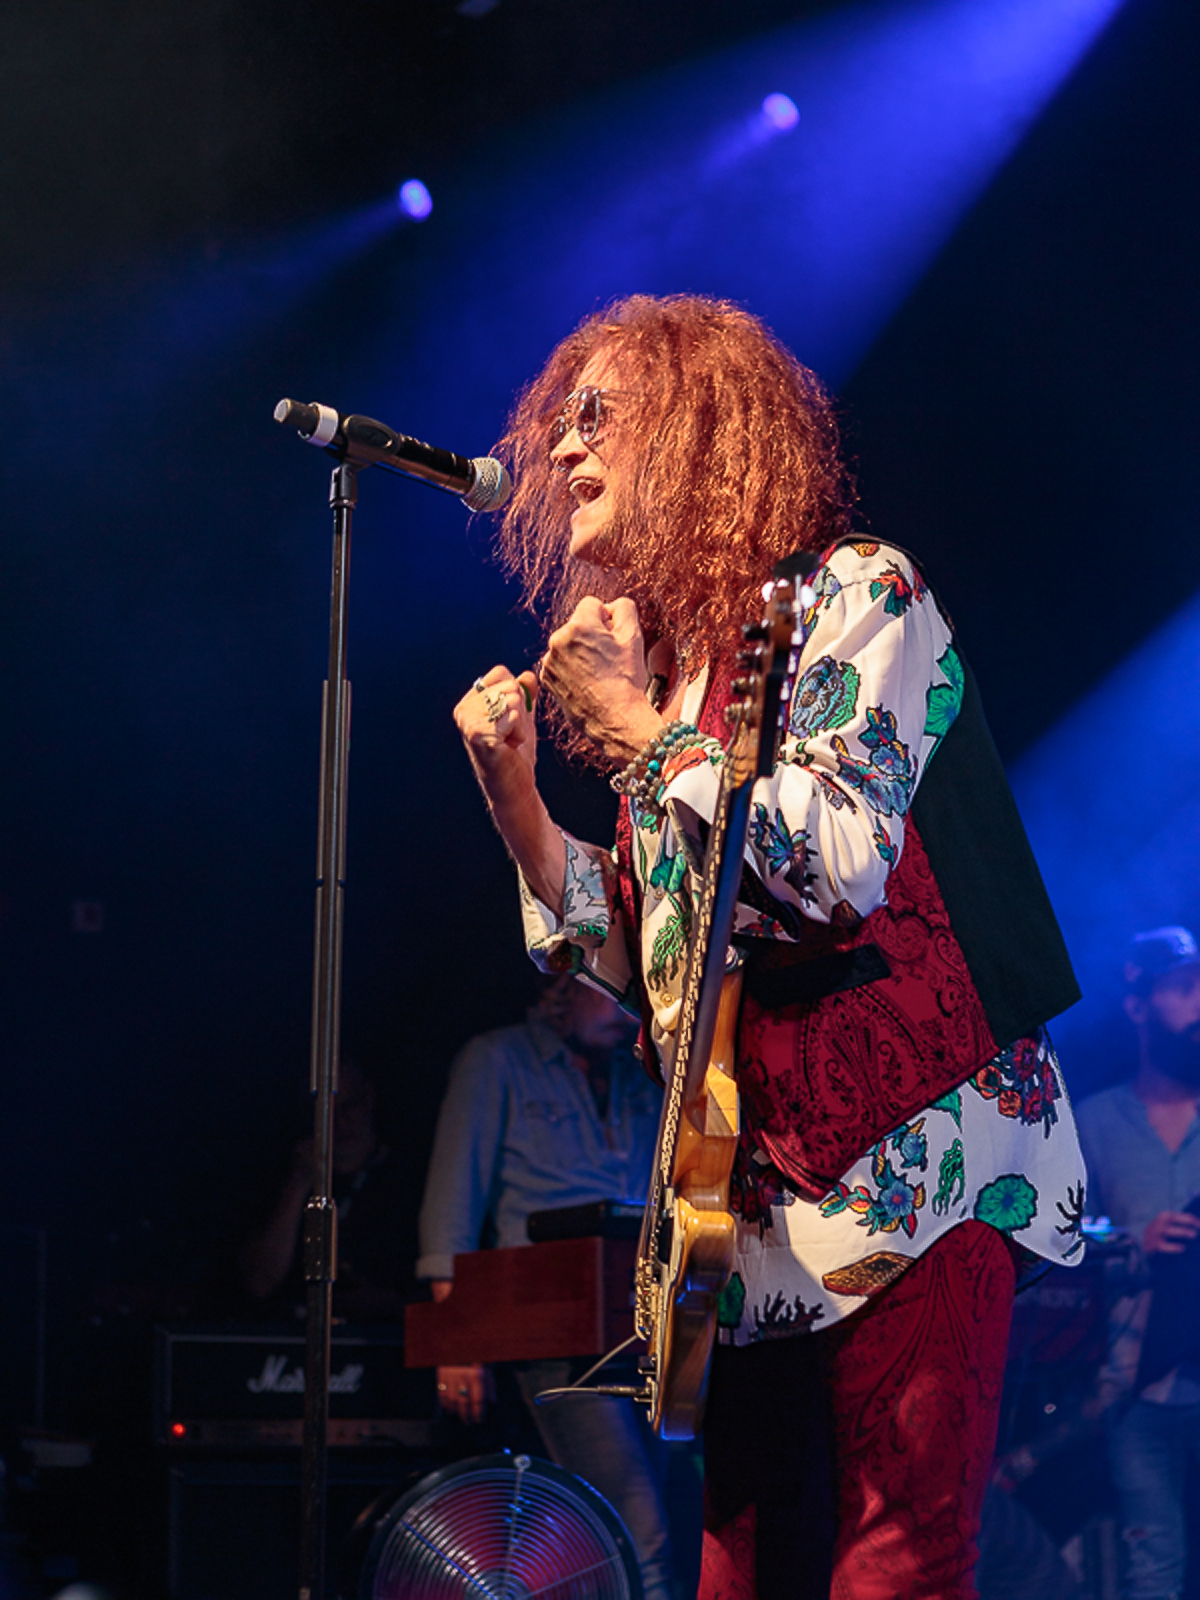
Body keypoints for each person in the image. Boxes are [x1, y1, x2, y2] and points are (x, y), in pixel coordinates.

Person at [453, 293, 1087, 1600]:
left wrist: (641, 739)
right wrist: (519, 803)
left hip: (917, 1159)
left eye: (598, 416)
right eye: (561, 423)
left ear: (697, 429)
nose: (564, 450)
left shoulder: (858, 591)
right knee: (735, 1575)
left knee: (894, 1567)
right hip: (745, 1207)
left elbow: (835, 867)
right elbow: (654, 969)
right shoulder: (678, 675)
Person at [416, 975, 675, 1600]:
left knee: (650, 1516)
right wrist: (456, 1340)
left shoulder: (638, 1070)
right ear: (565, 986)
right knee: (639, 1526)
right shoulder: (496, 1059)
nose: (625, 1010)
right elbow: (451, 1207)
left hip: (640, 1326)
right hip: (550, 1326)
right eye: (610, 992)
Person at [1075, 927, 1200, 1600]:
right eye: (1185, 988)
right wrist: (1131, 1240)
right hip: (1134, 1389)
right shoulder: (1094, 1120)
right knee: (1153, 1574)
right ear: (1138, 1005)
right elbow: (1066, 1242)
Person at [238, 1057, 416, 1320]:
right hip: (297, 1334)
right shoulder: (279, 1178)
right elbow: (259, 1283)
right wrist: (299, 1183)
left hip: (383, 1333)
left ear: (369, 1096)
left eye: (349, 1106)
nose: (340, 1122)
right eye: (325, 1111)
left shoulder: (409, 1178)